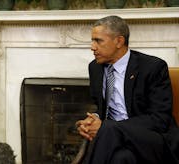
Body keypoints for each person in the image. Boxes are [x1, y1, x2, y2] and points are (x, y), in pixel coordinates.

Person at [75, 15, 178, 164]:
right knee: (121, 159)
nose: (92, 47)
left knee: (109, 130)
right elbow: (101, 107)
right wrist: (93, 120)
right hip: (115, 141)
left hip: (151, 138)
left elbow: (160, 119)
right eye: (92, 40)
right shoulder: (95, 67)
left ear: (119, 41)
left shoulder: (152, 67)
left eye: (98, 40)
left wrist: (109, 127)